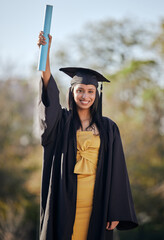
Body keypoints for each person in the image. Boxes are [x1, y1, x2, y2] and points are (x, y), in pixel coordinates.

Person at [37, 31, 138, 240]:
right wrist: (44, 52)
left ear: (97, 94)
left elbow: (118, 170)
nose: (86, 96)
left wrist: (114, 211)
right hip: (65, 199)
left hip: (97, 200)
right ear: (72, 92)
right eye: (80, 90)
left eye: (91, 91)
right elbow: (48, 88)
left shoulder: (108, 128)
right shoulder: (62, 123)